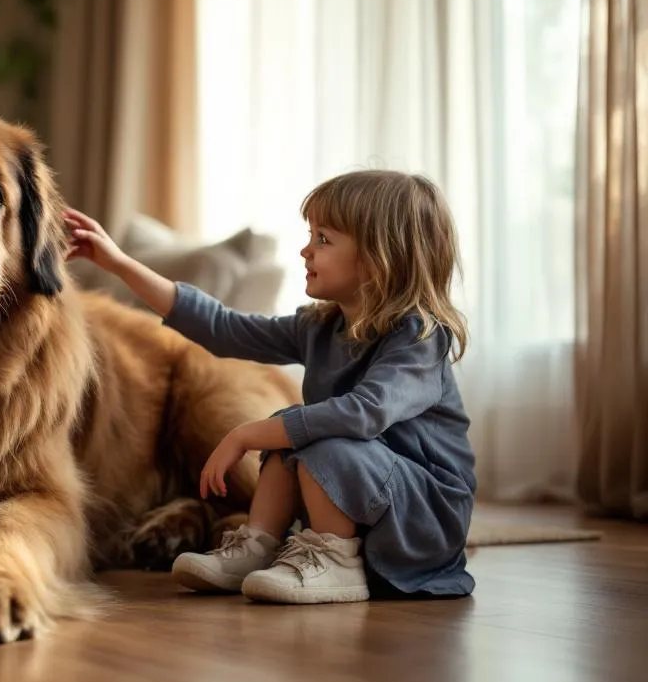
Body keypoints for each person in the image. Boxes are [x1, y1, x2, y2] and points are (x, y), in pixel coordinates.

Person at [63, 170, 475, 604]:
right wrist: (118, 263)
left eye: (323, 239)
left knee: (310, 434)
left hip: (424, 516)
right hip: (371, 496)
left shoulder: (419, 338)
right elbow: (223, 328)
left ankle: (335, 560)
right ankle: (259, 545)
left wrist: (247, 432)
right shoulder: (320, 326)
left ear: (377, 259)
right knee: (295, 437)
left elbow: (363, 413)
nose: (305, 249)